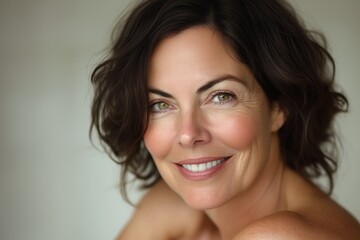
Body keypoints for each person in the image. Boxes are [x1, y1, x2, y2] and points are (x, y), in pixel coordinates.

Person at [90, 0, 360, 239]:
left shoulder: (279, 236)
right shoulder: (168, 208)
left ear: (279, 107)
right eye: (160, 104)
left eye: (220, 97)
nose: (188, 133)